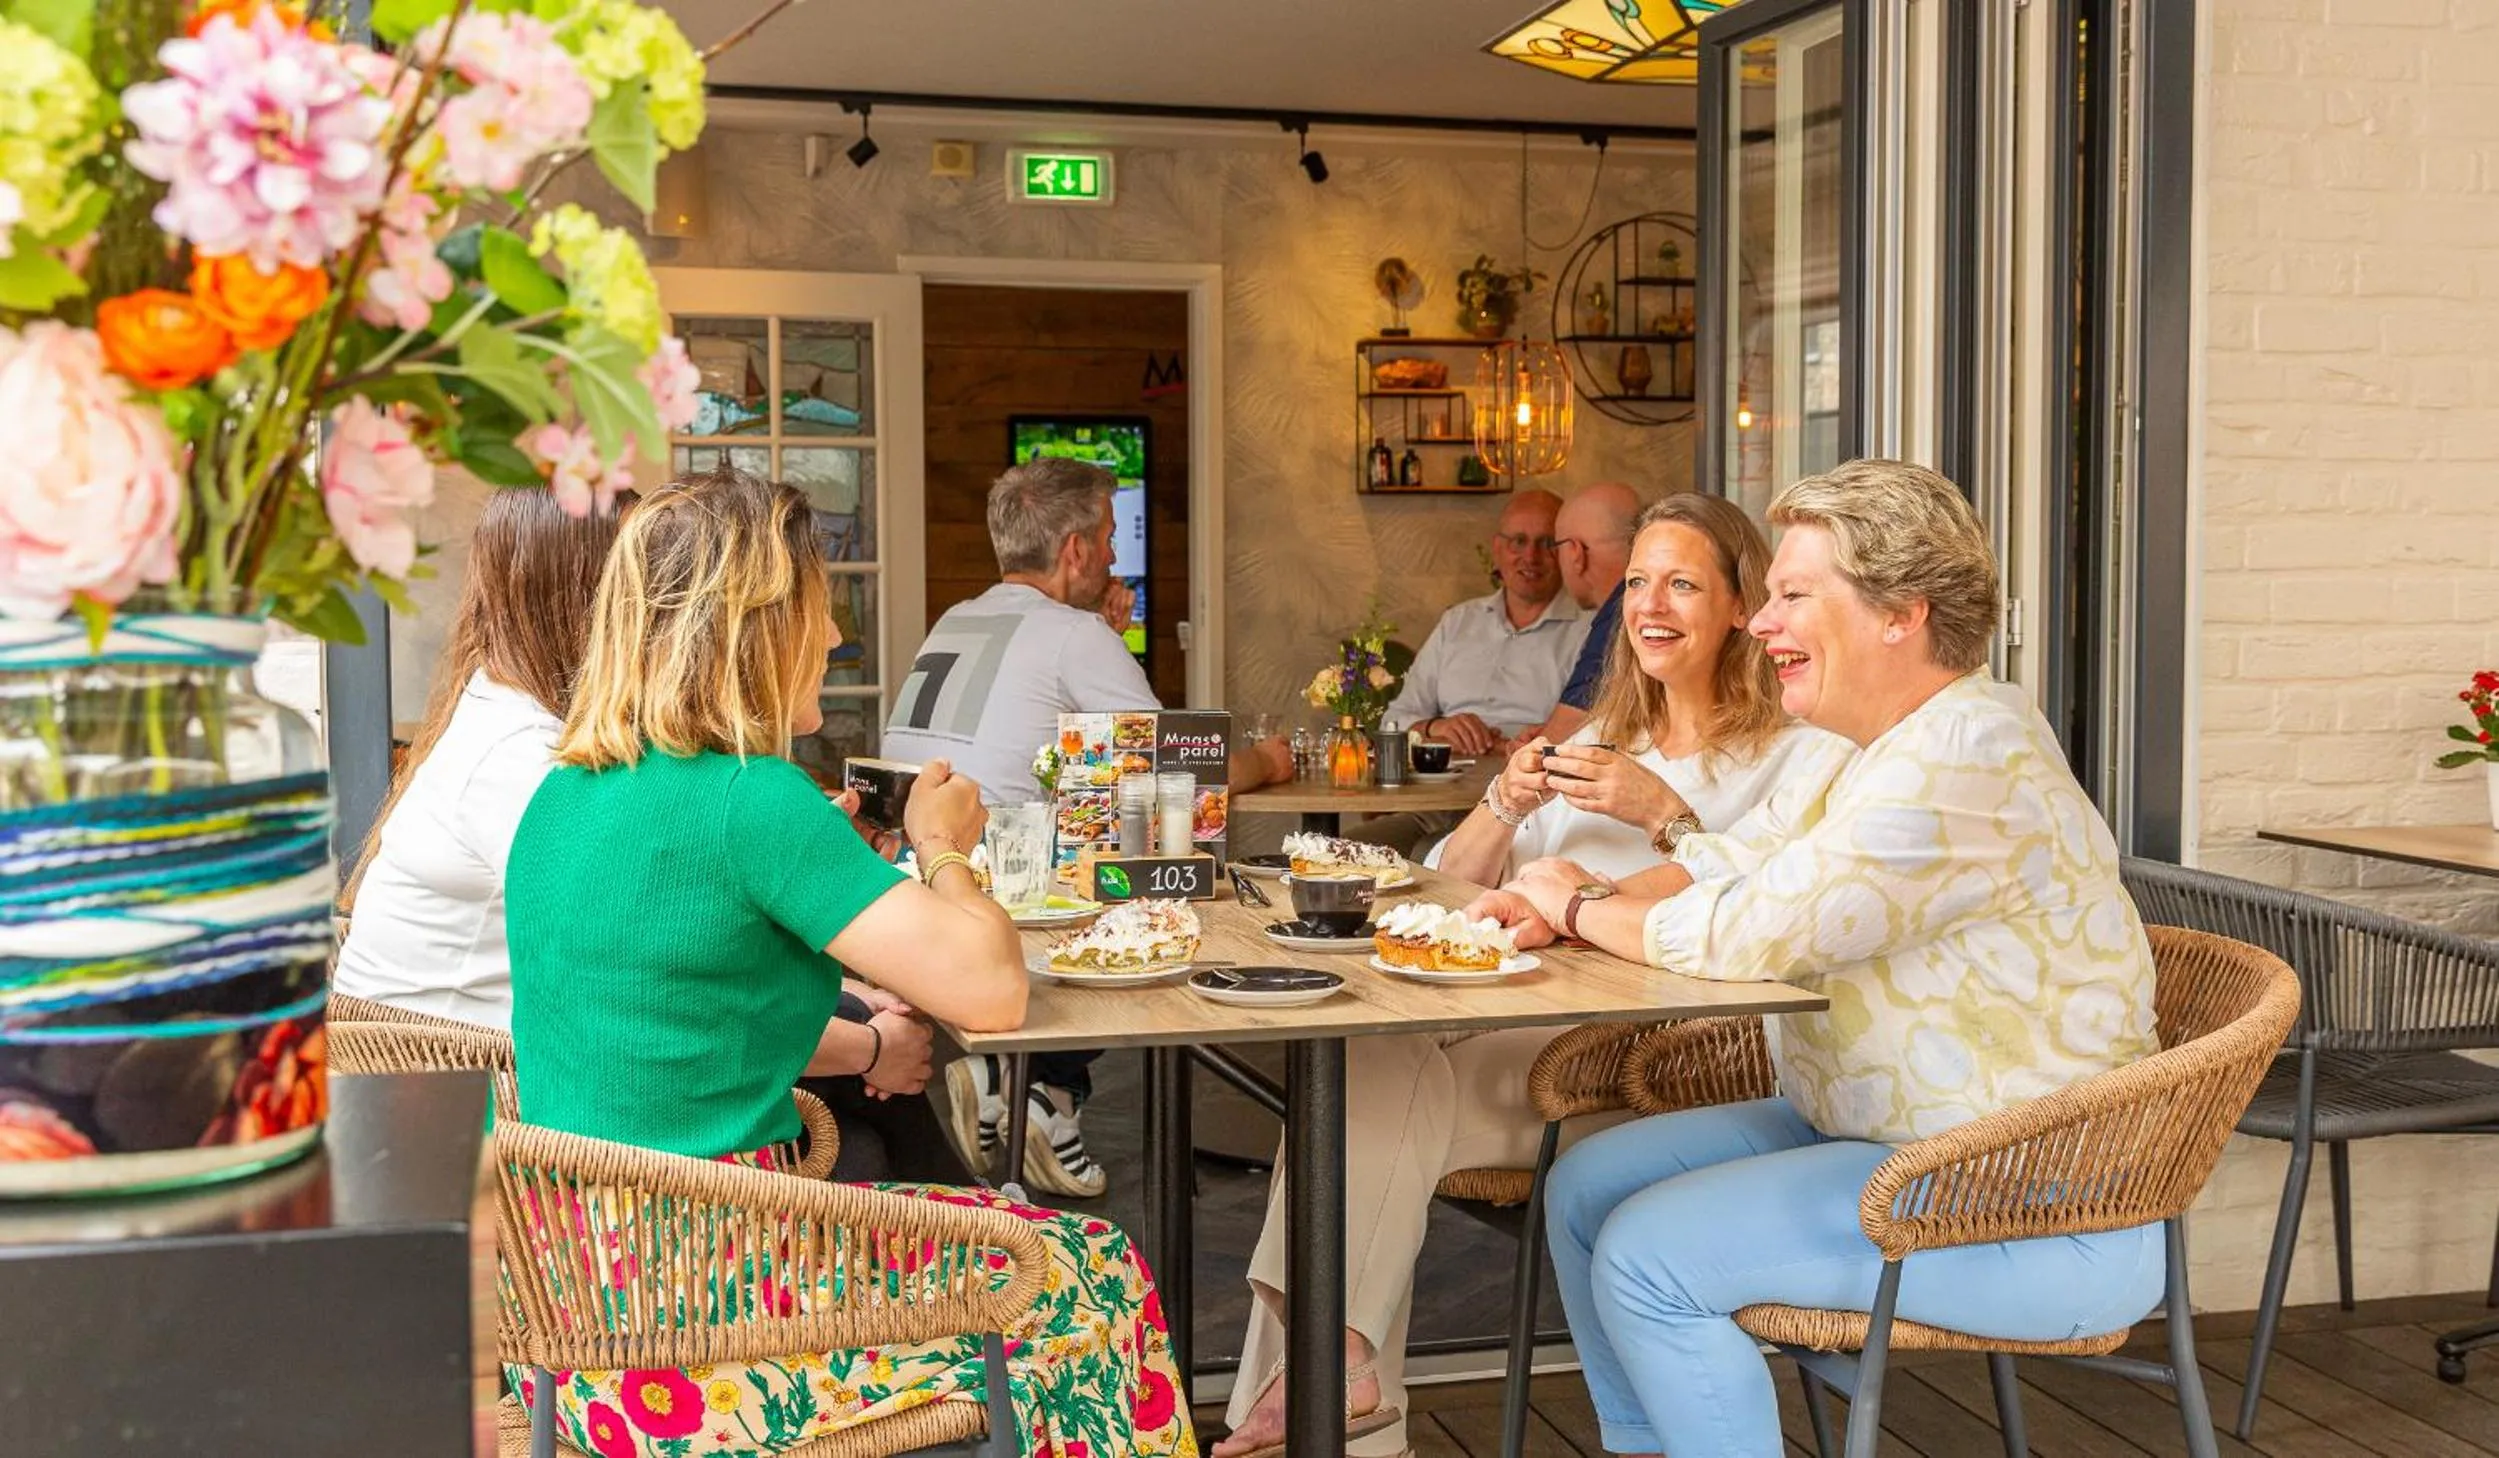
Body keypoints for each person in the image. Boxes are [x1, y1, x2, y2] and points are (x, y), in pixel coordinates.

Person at [1472, 460, 2164, 1458]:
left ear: (1901, 615)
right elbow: (1742, 869)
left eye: (1795, 595)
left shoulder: (1963, 757)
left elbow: (1758, 933)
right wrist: (1573, 905)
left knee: (1649, 1257)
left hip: (2032, 1196)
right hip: (1884, 1134)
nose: (1760, 621)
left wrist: (1577, 905)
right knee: (1585, 1191)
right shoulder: (1877, 745)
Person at [503, 467, 1194, 1458]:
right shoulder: (750, 798)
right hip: (714, 1321)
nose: (832, 638)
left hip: (578, 1308)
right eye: (819, 611)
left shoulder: (566, 794)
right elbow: (993, 993)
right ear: (755, 624)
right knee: (1087, 1267)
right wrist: (945, 842)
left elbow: (680, 994)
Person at [1212, 494, 1849, 1458]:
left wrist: (1654, 820)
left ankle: (1308, 1410)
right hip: (1506, 1034)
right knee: (1360, 1077)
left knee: (1354, 1107)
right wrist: (1501, 809)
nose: (1650, 605)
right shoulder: (1597, 739)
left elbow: (1764, 901)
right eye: (1637, 583)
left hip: (1647, 1062)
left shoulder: (1794, 755)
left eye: (1681, 583)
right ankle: (1336, 1374)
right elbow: (1454, 892)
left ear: (1739, 605)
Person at [330, 489, 961, 1184]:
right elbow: (655, 985)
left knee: (859, 1059)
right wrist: (873, 1048)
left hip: (483, 1070)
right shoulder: (541, 763)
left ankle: (966, 1216)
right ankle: (978, 1237)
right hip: (480, 1109)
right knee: (867, 1128)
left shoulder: (515, 718)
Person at [883, 455, 1290, 1196]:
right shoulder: (1075, 637)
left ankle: (1008, 1081)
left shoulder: (955, 618)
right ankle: (1049, 1094)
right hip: (1003, 886)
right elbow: (1178, 771)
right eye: (1106, 538)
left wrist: (1089, 628)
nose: (1111, 554)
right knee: (1150, 887)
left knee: (1102, 834)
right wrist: (1265, 759)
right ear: (1072, 550)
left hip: (909, 874)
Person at [1386, 488, 1589, 758]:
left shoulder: (1591, 630)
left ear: (1565, 551)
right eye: (1519, 541)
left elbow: (1596, 734)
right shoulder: (1457, 622)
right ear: (1497, 549)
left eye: (1546, 543)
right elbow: (1394, 720)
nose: (1531, 557)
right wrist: (1436, 727)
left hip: (1538, 786)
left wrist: (1507, 748)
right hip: (1443, 784)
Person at [1526, 480, 1642, 745]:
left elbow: (1557, 744)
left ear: (1576, 553)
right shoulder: (1644, 601)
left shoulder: (1623, 610)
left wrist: (1538, 744)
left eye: (1556, 549)